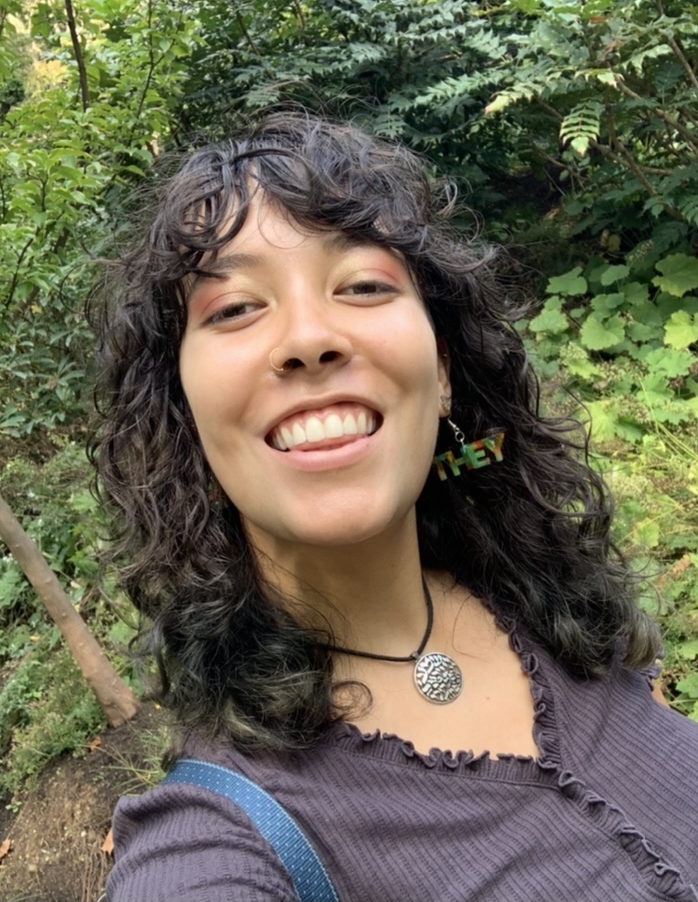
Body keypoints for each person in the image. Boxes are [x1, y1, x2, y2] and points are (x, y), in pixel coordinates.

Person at [93, 112, 698, 902]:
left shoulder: (555, 602)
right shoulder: (221, 840)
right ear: (184, 413)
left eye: (365, 285)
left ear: (441, 367)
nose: (308, 338)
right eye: (235, 307)